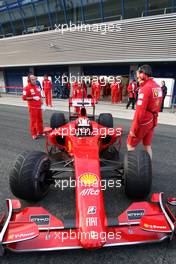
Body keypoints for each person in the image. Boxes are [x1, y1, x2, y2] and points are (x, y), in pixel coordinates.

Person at [127, 65, 163, 159]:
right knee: (147, 145)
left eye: (138, 75)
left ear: (143, 75)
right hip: (153, 119)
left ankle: (132, 169)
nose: (137, 78)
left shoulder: (145, 89)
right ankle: (149, 167)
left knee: (130, 144)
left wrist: (133, 129)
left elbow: (139, 112)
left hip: (144, 121)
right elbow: (158, 104)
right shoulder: (157, 86)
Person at [22, 74, 43, 140]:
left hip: (39, 106)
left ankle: (40, 131)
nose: (34, 81)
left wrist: (42, 103)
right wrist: (32, 97)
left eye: (35, 79)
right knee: (33, 121)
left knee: (40, 120)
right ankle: (34, 134)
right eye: (32, 79)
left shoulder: (37, 87)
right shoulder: (26, 88)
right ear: (29, 80)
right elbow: (24, 98)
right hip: (32, 108)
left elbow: (40, 96)